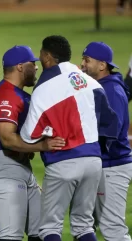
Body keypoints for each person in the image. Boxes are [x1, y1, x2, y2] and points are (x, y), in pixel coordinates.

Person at [20, 35, 119, 241]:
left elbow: (29, 136)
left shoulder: (43, 89)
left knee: (49, 228)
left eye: (41, 54)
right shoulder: (91, 82)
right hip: (93, 162)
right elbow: (111, 123)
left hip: (63, 162)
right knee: (84, 225)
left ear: (47, 57)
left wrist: (46, 138)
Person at [0, 46, 65, 241]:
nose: (37, 68)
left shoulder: (21, 95)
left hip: (21, 169)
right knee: (11, 236)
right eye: (33, 64)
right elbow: (7, 138)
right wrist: (42, 147)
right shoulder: (6, 95)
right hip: (5, 170)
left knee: (43, 232)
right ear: (20, 67)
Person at [81, 41, 132, 241]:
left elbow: (111, 132)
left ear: (102, 65)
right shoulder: (100, 87)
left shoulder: (111, 91)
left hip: (112, 166)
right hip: (103, 166)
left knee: (113, 229)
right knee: (84, 224)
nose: (82, 64)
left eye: (87, 60)